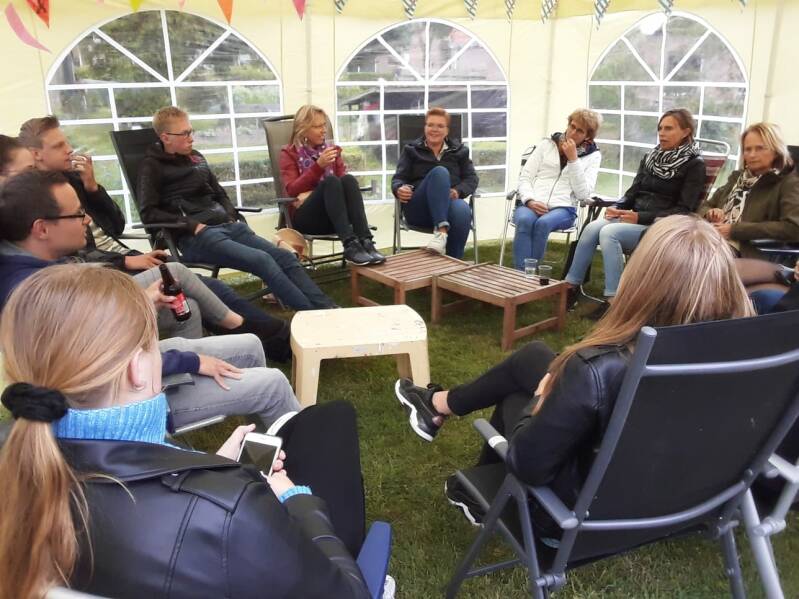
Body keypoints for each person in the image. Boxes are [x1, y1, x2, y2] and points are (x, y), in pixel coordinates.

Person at [0, 264, 368, 598]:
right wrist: (294, 498)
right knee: (335, 417)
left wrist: (208, 466)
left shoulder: (18, 460)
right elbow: (348, 593)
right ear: (138, 368)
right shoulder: (229, 512)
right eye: (155, 347)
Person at [392, 215, 753, 528]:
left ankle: (448, 426)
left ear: (644, 282)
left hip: (582, 509)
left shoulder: (598, 369)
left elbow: (528, 464)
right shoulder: (746, 358)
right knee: (533, 358)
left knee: (518, 394)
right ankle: (440, 408)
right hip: (675, 493)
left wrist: (539, 401)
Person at [0, 170, 300, 431]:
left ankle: (263, 449)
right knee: (272, 385)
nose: (87, 219)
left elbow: (99, 341)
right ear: (41, 228)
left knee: (250, 345)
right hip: (119, 404)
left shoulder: (38, 269)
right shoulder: (35, 290)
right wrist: (192, 361)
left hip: (126, 375)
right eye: (78, 213)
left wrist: (144, 305)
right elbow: (107, 362)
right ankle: (294, 468)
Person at [16, 120, 291, 360]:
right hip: (105, 272)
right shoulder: (34, 201)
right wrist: (125, 261)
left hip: (122, 257)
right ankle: (270, 336)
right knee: (188, 291)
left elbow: (117, 225)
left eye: (67, 142)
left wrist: (92, 188)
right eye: (59, 145)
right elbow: (74, 257)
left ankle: (262, 341)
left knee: (206, 290)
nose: (69, 149)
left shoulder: (71, 182)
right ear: (36, 153)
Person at [138, 106, 335, 311]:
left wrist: (231, 216)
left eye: (191, 131)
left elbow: (219, 193)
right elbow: (148, 213)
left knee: (284, 256)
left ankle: (328, 308)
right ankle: (314, 314)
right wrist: (192, 225)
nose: (191, 138)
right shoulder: (151, 167)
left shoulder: (196, 157)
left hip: (229, 227)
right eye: (185, 133)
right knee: (262, 260)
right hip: (197, 237)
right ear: (166, 137)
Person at [563, 109, 706, 316]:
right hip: (635, 219)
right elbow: (632, 193)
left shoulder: (695, 165)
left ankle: (615, 300)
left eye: (668, 129)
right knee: (592, 228)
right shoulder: (651, 157)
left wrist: (640, 217)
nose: (661, 133)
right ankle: (570, 287)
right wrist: (618, 207)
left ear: (686, 132)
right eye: (660, 128)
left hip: (662, 227)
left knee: (609, 233)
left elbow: (684, 210)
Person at [278, 104, 385, 266]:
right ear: (303, 130)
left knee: (348, 180)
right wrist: (318, 166)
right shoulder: (289, 153)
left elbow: (345, 186)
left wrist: (311, 193)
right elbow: (292, 190)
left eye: (324, 125)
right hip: (307, 220)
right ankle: (350, 245)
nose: (323, 130)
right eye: (317, 126)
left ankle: (366, 241)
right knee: (331, 181)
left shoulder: (331, 151)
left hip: (336, 217)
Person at [512, 109, 602, 269]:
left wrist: (573, 160)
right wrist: (530, 200)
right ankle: (522, 275)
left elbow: (583, 194)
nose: (572, 132)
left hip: (564, 209)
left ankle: (530, 274)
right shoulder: (546, 145)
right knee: (525, 221)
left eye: (579, 131)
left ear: (588, 136)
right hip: (532, 203)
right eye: (572, 126)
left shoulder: (593, 156)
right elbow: (525, 177)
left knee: (543, 224)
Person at [699, 122, 799, 259]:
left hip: (746, 251)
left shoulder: (788, 183)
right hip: (714, 239)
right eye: (747, 149)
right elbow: (704, 206)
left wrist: (735, 230)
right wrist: (710, 213)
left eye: (760, 148)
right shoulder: (738, 178)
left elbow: (793, 228)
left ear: (776, 151)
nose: (752, 155)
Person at [391, 107, 478, 258]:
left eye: (440, 126)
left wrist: (458, 191)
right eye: (430, 125)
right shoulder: (411, 150)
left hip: (448, 206)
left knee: (462, 209)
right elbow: (398, 178)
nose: (434, 129)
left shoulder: (460, 151)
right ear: (425, 127)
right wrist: (399, 188)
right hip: (419, 209)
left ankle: (453, 265)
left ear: (447, 130)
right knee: (440, 172)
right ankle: (441, 232)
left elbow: (471, 179)